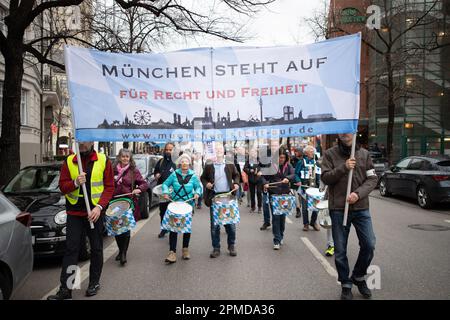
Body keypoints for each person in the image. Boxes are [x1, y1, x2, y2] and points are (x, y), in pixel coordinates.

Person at [48, 142, 114, 300]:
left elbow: (109, 187)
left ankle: (94, 283)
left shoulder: (104, 160)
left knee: (96, 249)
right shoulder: (69, 161)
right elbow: (63, 187)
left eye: (85, 141)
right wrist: (75, 183)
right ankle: (66, 289)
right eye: (80, 141)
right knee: (71, 251)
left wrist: (99, 207)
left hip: (94, 213)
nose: (82, 144)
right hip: (74, 213)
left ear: (91, 142)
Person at [321, 133, 378, 300]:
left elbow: (372, 179)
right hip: (338, 208)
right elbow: (325, 178)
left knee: (369, 244)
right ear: (339, 133)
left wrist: (358, 194)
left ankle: (358, 277)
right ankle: (345, 283)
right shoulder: (330, 154)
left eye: (349, 130)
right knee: (340, 250)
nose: (345, 133)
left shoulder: (364, 154)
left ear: (353, 132)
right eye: (342, 130)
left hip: (360, 207)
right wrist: (344, 167)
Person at [201, 142, 240, 258]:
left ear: (223, 152)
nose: (218, 152)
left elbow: (236, 175)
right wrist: (206, 184)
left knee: (230, 224)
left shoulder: (229, 164)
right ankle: (216, 248)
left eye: (220, 150)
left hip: (228, 197)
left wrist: (237, 183)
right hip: (215, 197)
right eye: (216, 150)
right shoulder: (209, 164)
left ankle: (231, 245)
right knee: (215, 226)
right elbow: (202, 177)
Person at [162, 154, 202, 263]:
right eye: (183, 161)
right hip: (175, 204)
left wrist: (197, 193)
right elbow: (165, 184)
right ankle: (172, 252)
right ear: (180, 163)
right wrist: (165, 192)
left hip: (188, 205)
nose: (184, 163)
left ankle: (185, 249)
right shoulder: (174, 174)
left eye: (187, 161)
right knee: (173, 228)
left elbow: (198, 187)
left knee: (186, 227)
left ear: (189, 163)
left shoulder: (193, 176)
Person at [112, 149, 149, 266]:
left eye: (127, 157)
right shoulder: (112, 170)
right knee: (117, 228)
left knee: (126, 228)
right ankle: (120, 249)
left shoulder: (133, 171)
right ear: (119, 157)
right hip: (114, 202)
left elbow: (144, 184)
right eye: (123, 156)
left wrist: (139, 189)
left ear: (130, 158)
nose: (125, 158)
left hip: (128, 202)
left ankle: (123, 253)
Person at [262, 151, 295, 250]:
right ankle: (276, 240)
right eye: (280, 157)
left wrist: (287, 178)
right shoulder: (271, 166)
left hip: (284, 195)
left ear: (285, 158)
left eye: (283, 158)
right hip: (274, 194)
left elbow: (293, 175)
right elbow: (263, 177)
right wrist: (265, 183)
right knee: (276, 217)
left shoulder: (288, 166)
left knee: (282, 217)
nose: (281, 159)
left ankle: (281, 235)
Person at [295, 145, 321, 231]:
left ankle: (313, 222)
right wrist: (298, 181)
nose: (312, 153)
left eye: (313, 151)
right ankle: (305, 224)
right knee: (305, 207)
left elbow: (318, 174)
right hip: (304, 188)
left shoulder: (316, 162)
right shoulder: (301, 162)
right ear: (306, 153)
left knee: (316, 206)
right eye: (310, 151)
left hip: (315, 188)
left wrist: (320, 184)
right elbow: (296, 174)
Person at [154, 142, 176, 238]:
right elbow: (155, 172)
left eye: (170, 150)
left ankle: (171, 229)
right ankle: (163, 229)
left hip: (174, 192)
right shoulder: (161, 161)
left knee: (171, 211)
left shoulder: (177, 162)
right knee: (162, 211)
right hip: (162, 191)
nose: (168, 151)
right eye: (166, 149)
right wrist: (156, 175)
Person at [243, 148, 263, 213]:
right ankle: (253, 207)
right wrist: (249, 170)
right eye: (252, 153)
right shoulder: (248, 161)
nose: (253, 154)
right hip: (251, 179)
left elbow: (264, 167)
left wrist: (261, 171)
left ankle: (259, 207)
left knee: (259, 193)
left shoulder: (260, 160)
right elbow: (244, 168)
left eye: (254, 153)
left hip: (259, 179)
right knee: (252, 194)